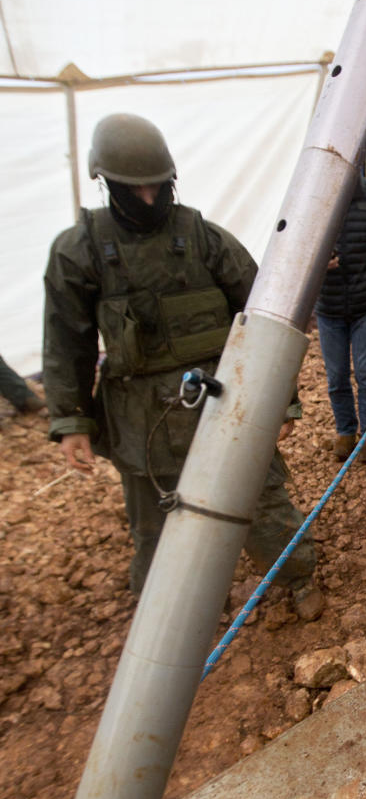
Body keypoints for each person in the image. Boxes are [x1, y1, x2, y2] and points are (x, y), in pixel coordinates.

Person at [43, 112, 316, 596]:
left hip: (223, 402)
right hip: (139, 419)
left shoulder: (206, 240)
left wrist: (282, 400)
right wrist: (71, 421)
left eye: (158, 187)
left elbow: (267, 319)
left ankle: (294, 580)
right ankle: (162, 613)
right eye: (134, 190)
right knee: (155, 525)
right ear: (105, 183)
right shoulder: (79, 251)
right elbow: (67, 342)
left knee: (262, 500)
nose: (148, 199)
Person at [314, 174, 366, 462]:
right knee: (336, 376)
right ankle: (345, 432)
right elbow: (297, 247)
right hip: (329, 307)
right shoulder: (313, 197)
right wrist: (319, 261)